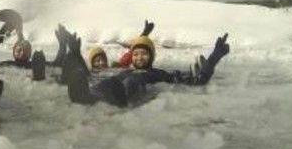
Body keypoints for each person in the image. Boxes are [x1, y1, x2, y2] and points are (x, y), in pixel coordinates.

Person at [64, 31, 230, 108]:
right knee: (110, 81)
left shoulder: (158, 73)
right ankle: (88, 96)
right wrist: (77, 57)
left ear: (151, 56)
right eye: (135, 54)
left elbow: (197, 80)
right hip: (117, 91)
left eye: (144, 54)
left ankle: (108, 99)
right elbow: (97, 73)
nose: (139, 57)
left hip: (133, 97)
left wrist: (214, 57)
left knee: (130, 81)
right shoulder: (126, 70)